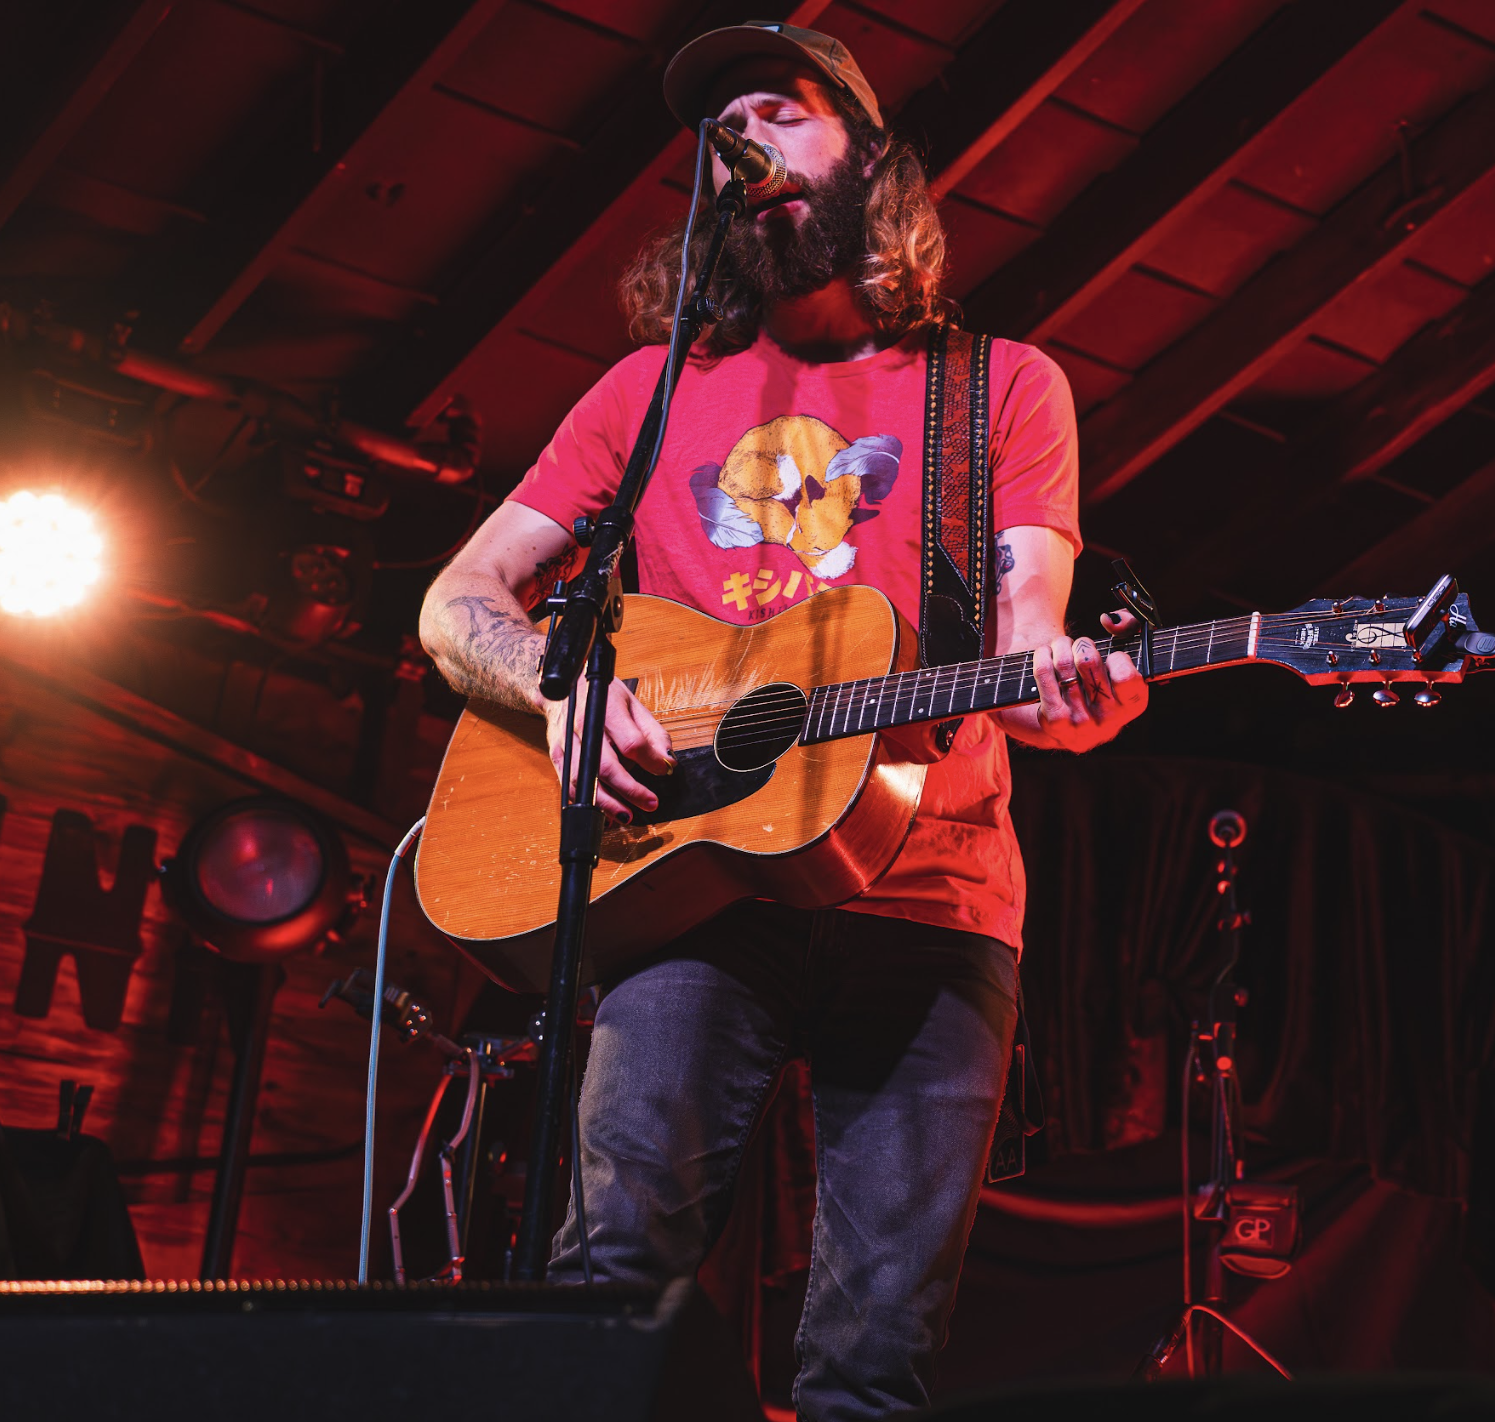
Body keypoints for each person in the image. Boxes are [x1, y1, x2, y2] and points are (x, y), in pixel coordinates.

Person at [416, 22, 1146, 1418]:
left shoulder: (1001, 387)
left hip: (936, 898)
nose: (744, 144)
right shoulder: (647, 394)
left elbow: (1028, 648)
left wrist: (1079, 698)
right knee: (606, 1284)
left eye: (782, 112)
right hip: (696, 890)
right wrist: (565, 690)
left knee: (874, 1361)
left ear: (870, 160)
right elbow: (457, 603)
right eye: (724, 131)